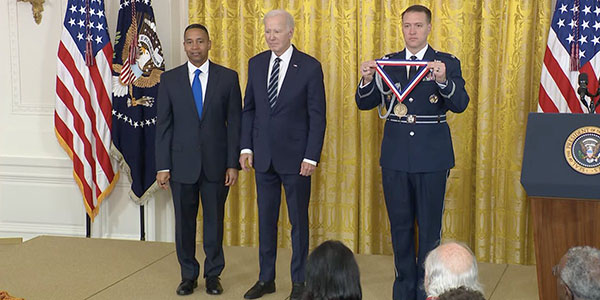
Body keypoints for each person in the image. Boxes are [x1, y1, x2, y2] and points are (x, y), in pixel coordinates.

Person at [354, 4, 469, 300]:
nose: (412, 31)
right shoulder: (388, 64)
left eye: (418, 25)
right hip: (395, 158)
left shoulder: (445, 62)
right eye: (407, 25)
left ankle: (427, 290)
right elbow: (365, 103)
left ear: (429, 28)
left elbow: (460, 104)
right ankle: (403, 289)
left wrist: (443, 80)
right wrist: (367, 79)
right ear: (401, 27)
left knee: (430, 232)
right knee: (400, 228)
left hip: (432, 158)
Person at [239, 9, 327, 300]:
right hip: (263, 158)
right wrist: (246, 147)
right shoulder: (256, 64)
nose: (271, 36)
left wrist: (311, 156)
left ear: (291, 32)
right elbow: (249, 108)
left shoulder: (310, 67)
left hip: (297, 160)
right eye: (267, 31)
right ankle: (267, 279)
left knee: (298, 223)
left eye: (277, 31)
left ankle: (300, 283)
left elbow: (317, 116)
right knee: (266, 221)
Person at [155, 23, 241, 296]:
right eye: (190, 42)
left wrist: (232, 163)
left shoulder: (228, 78)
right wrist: (162, 166)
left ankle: (213, 275)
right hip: (181, 167)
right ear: (184, 46)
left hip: (217, 167)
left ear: (209, 44)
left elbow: (235, 125)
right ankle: (188, 276)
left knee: (214, 224)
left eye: (200, 41)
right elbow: (164, 127)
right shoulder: (170, 80)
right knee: (185, 225)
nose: (195, 47)